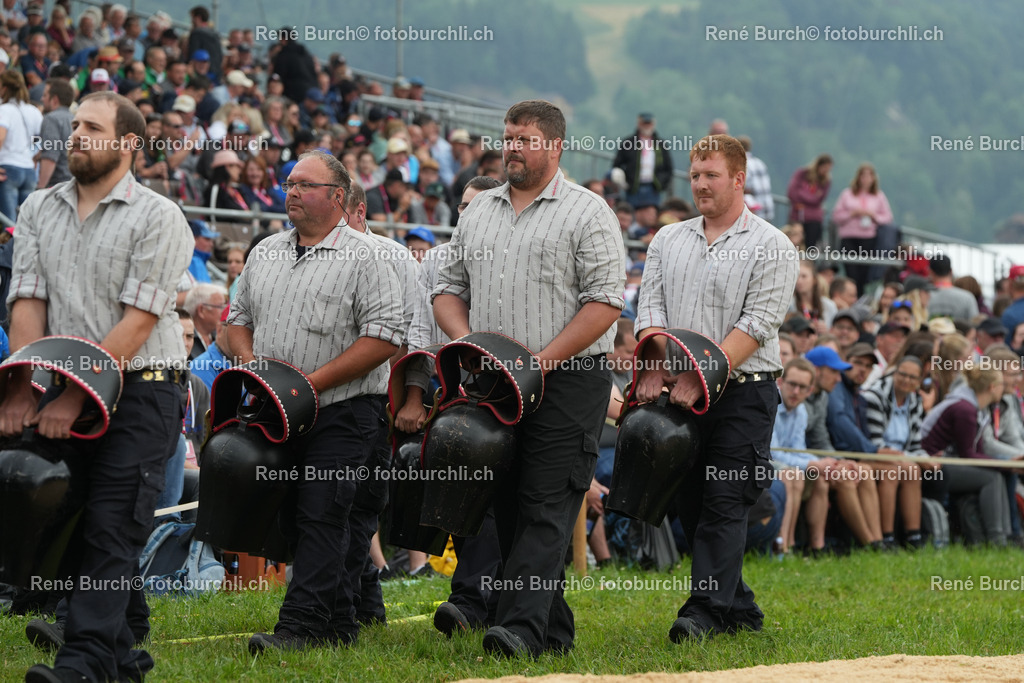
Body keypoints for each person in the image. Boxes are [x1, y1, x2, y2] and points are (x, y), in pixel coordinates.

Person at [2, 91, 191, 683]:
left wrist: (74, 395)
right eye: (74, 124)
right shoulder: (37, 207)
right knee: (72, 512)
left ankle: (84, 663)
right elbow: (28, 300)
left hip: (144, 385)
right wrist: (25, 388)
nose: (76, 135)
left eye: (92, 127)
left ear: (128, 144)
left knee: (112, 519)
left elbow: (136, 326)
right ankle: (126, 649)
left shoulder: (159, 216)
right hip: (62, 381)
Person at [434, 100, 625, 657]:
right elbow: (446, 285)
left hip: (568, 378)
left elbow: (606, 302)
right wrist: (467, 342)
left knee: (548, 501)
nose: (512, 147)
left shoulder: (589, 213)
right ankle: (554, 632)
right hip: (494, 379)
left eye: (524, 139)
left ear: (555, 145)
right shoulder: (479, 211)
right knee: (510, 503)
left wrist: (542, 360)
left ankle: (516, 629)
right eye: (508, 137)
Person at [227, 150, 404, 653]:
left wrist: (309, 385)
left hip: (345, 411)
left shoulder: (370, 256)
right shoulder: (264, 251)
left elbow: (383, 339)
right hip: (276, 409)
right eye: (289, 183)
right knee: (291, 515)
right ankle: (341, 623)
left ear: (338, 196)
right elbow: (237, 322)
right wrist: (252, 365)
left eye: (305, 184)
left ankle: (301, 627)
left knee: (322, 513)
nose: (293, 192)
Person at [634, 133, 798, 640]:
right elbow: (649, 307)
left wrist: (700, 373)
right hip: (676, 390)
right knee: (690, 503)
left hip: (744, 392)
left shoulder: (772, 244)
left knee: (726, 500)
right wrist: (656, 362)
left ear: (739, 179)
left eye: (711, 176)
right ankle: (740, 608)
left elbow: (758, 323)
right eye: (695, 175)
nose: (701, 184)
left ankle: (702, 611)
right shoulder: (667, 238)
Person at [831, 163, 893, 293]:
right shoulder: (847, 194)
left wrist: (874, 216)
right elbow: (836, 216)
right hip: (849, 237)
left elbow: (887, 217)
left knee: (864, 272)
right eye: (863, 176)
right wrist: (852, 214)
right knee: (851, 271)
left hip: (868, 238)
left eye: (869, 176)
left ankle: (859, 296)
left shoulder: (879, 196)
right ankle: (851, 295)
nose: (865, 179)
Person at [0, 70, 41, 222]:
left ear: (4, 88)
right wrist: (35, 157)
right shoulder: (33, 111)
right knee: (27, 224)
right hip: (29, 170)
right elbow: (45, 140)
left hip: (8, 169)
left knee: (9, 224)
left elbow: (0, 137)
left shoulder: (4, 110)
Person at [612, 112, 674, 209]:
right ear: (639, 124)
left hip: (653, 188)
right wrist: (624, 182)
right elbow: (617, 165)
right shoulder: (628, 143)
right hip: (633, 188)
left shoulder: (661, 144)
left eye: (649, 123)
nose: (647, 126)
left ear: (653, 125)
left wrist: (661, 184)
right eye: (644, 123)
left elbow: (668, 168)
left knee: (651, 217)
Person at [786, 154, 832, 247]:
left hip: (814, 219)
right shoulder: (802, 173)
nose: (826, 171)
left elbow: (818, 200)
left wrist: (802, 195)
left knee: (810, 246)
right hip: (798, 215)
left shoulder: (826, 181)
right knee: (793, 243)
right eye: (825, 168)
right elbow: (792, 192)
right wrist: (812, 197)